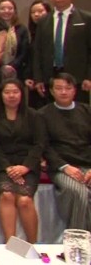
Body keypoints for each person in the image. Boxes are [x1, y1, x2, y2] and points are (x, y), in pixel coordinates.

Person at [0, 79, 44, 243]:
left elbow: (39, 144)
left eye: (15, 92)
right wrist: (7, 167)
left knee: (24, 200)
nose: (11, 96)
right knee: (6, 195)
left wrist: (25, 167)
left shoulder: (33, 115)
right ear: (1, 95)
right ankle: (11, 244)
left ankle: (32, 244)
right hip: (3, 166)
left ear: (22, 94)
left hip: (27, 166)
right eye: (7, 92)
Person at [40, 73, 91, 230]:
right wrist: (65, 167)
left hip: (87, 165)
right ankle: (78, 238)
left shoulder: (87, 111)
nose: (63, 92)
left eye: (68, 88)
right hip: (61, 167)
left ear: (74, 90)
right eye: (59, 88)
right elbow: (44, 147)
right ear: (51, 91)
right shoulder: (42, 114)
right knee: (78, 191)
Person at [33, 0, 91, 102]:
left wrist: (89, 77)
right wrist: (38, 79)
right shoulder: (44, 21)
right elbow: (37, 51)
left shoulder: (85, 18)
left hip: (78, 78)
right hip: (50, 77)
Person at [24, 0, 52, 109]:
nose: (36, 15)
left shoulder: (52, 33)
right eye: (33, 12)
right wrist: (28, 77)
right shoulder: (31, 34)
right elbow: (31, 58)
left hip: (49, 79)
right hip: (34, 80)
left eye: (40, 11)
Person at [0, 0, 30, 82]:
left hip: (17, 70)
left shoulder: (21, 29)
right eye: (2, 8)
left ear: (15, 11)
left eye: (10, 8)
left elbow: (24, 52)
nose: (6, 11)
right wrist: (1, 66)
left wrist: (12, 65)